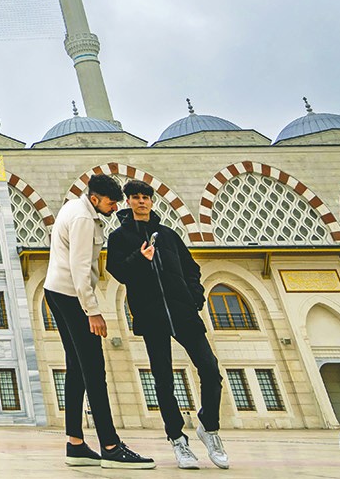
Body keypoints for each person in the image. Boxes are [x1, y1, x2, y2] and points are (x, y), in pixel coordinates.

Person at [107, 181, 228, 470]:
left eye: (145, 197)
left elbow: (191, 270)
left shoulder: (170, 236)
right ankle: (177, 439)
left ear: (151, 201)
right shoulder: (120, 237)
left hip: (184, 314)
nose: (141, 202)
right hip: (152, 318)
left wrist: (194, 300)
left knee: (211, 371)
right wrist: (140, 257)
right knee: (164, 381)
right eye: (135, 198)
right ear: (128, 202)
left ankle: (209, 427)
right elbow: (118, 271)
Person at [45, 172, 153, 469]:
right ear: (95, 199)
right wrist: (92, 311)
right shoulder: (82, 219)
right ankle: (110, 444)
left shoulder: (74, 207)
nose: (116, 207)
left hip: (56, 291)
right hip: (71, 295)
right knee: (94, 368)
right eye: (111, 202)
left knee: (77, 368)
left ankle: (75, 443)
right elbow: (80, 269)